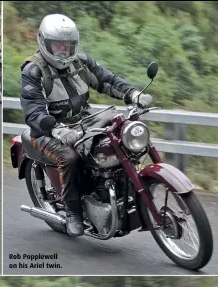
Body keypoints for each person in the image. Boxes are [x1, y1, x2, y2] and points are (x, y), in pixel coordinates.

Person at [20, 14, 153, 237]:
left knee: (119, 135)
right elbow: (34, 110)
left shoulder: (81, 62)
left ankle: (117, 189)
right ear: (44, 42)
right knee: (69, 157)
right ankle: (73, 212)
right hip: (46, 132)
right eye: (58, 44)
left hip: (83, 121)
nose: (64, 50)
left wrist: (132, 93)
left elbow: (106, 80)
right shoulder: (33, 71)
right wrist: (56, 129)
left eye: (68, 45)